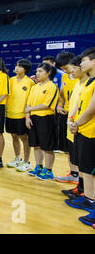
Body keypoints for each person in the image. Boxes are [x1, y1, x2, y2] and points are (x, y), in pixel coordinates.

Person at [67, 47, 95, 226]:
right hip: (82, 131)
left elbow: (92, 109)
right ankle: (88, 199)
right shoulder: (87, 83)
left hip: (90, 132)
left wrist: (76, 124)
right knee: (85, 169)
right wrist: (72, 121)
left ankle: (91, 203)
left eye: (84, 60)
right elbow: (79, 106)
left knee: (90, 171)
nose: (81, 63)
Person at [25, 62, 59, 181]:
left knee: (47, 146)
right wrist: (27, 117)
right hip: (33, 119)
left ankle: (48, 171)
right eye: (37, 71)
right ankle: (39, 167)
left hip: (46, 119)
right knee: (36, 145)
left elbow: (46, 105)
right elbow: (28, 103)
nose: (37, 73)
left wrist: (29, 109)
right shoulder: (34, 87)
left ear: (48, 73)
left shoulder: (52, 86)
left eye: (40, 71)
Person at [61, 55, 88, 200]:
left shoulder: (88, 85)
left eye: (73, 68)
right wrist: (70, 121)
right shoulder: (78, 83)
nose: (70, 71)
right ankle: (80, 187)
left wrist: (76, 123)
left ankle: (86, 192)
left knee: (85, 164)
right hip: (73, 127)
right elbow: (75, 106)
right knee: (78, 160)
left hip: (83, 128)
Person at [5, 59, 35, 172]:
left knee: (24, 138)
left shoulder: (30, 82)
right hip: (10, 113)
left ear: (25, 69)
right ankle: (17, 158)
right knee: (14, 137)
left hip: (22, 115)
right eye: (16, 65)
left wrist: (28, 115)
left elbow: (31, 100)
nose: (17, 68)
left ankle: (27, 162)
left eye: (20, 66)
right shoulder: (10, 80)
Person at [55, 52, 79, 183]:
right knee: (69, 147)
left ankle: (82, 177)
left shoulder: (82, 78)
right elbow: (62, 94)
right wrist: (59, 105)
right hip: (67, 115)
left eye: (67, 67)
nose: (66, 70)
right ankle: (74, 173)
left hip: (79, 117)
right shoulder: (65, 77)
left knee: (79, 148)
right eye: (63, 69)